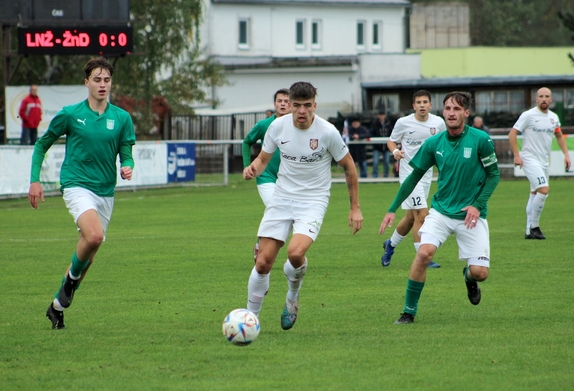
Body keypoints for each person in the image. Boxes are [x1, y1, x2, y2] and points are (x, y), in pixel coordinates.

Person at [243, 81, 363, 331]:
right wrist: (253, 167)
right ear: (290, 105)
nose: (301, 111)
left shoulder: (328, 132)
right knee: (263, 262)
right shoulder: (278, 127)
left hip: (313, 200)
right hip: (282, 196)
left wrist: (355, 207)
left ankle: (292, 297)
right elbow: (263, 158)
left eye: (307, 106)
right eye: (296, 105)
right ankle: (250, 320)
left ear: (314, 106)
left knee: (295, 254)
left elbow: (349, 167)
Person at [28, 57, 136, 329]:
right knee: (95, 235)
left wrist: (127, 166)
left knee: (91, 248)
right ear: (86, 82)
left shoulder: (121, 118)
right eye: (97, 79)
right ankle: (70, 283)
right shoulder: (70, 114)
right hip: (77, 184)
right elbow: (42, 144)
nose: (102, 84)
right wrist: (34, 181)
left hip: (105, 191)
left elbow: (126, 154)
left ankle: (57, 306)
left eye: (107, 80)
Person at [380, 91, 500, 324]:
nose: (451, 113)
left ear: (466, 113)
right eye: (448, 108)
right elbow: (414, 177)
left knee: (480, 273)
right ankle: (408, 312)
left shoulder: (480, 140)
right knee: (423, 253)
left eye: (457, 109)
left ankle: (468, 278)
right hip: (441, 212)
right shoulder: (433, 143)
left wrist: (477, 205)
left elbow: (494, 176)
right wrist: (392, 208)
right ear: (442, 112)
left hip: (471, 215)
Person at [381, 90, 446, 269]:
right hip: (409, 174)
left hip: (426, 175)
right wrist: (395, 151)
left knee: (410, 217)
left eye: (425, 102)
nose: (422, 105)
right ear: (414, 106)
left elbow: (444, 143)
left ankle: (390, 245)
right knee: (422, 214)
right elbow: (391, 141)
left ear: (431, 105)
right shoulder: (403, 122)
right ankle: (422, 257)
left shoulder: (438, 123)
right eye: (419, 102)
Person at [508, 87, 571, 240]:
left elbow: (559, 136)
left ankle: (528, 231)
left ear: (551, 99)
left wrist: (567, 155)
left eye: (547, 96)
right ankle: (535, 226)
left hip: (544, 161)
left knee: (534, 194)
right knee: (543, 190)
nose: (544, 99)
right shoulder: (528, 115)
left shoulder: (553, 117)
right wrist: (517, 155)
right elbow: (512, 134)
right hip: (529, 159)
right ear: (536, 99)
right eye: (541, 96)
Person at [242, 88, 290, 259]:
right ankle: (260, 245)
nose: (283, 104)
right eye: (280, 101)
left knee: (285, 213)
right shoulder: (264, 125)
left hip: (287, 180)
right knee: (275, 207)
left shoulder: (297, 126)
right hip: (266, 177)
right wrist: (247, 166)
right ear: (275, 104)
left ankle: (261, 242)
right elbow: (247, 142)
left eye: (286, 101)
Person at [369, 109, 392, 178]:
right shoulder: (374, 123)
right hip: (377, 146)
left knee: (387, 162)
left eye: (383, 115)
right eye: (380, 115)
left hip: (386, 146)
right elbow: (371, 133)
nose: (381, 116)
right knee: (375, 162)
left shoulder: (389, 123)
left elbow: (392, 133)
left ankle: (386, 176)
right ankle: (374, 176)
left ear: (385, 115)